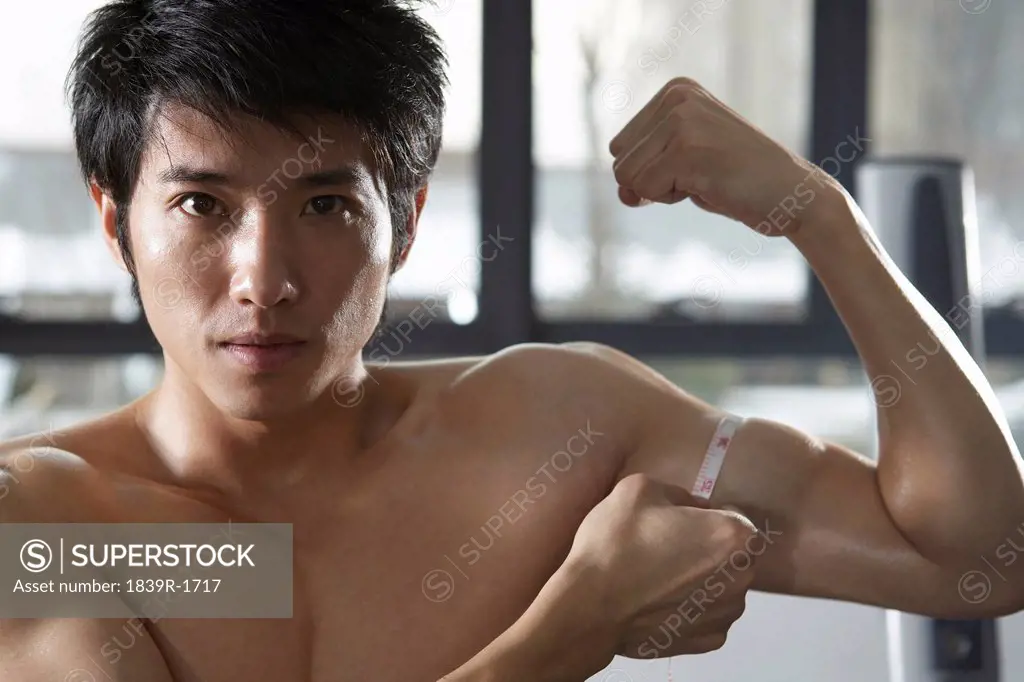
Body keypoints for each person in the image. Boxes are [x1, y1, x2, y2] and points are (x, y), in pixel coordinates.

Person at [2, 0, 1023, 680]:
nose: (262, 280)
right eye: (201, 205)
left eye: (323, 205)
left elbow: (973, 560)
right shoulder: (44, 526)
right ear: (114, 222)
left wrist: (817, 214)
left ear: (403, 224)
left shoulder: (552, 436)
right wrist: (574, 623)